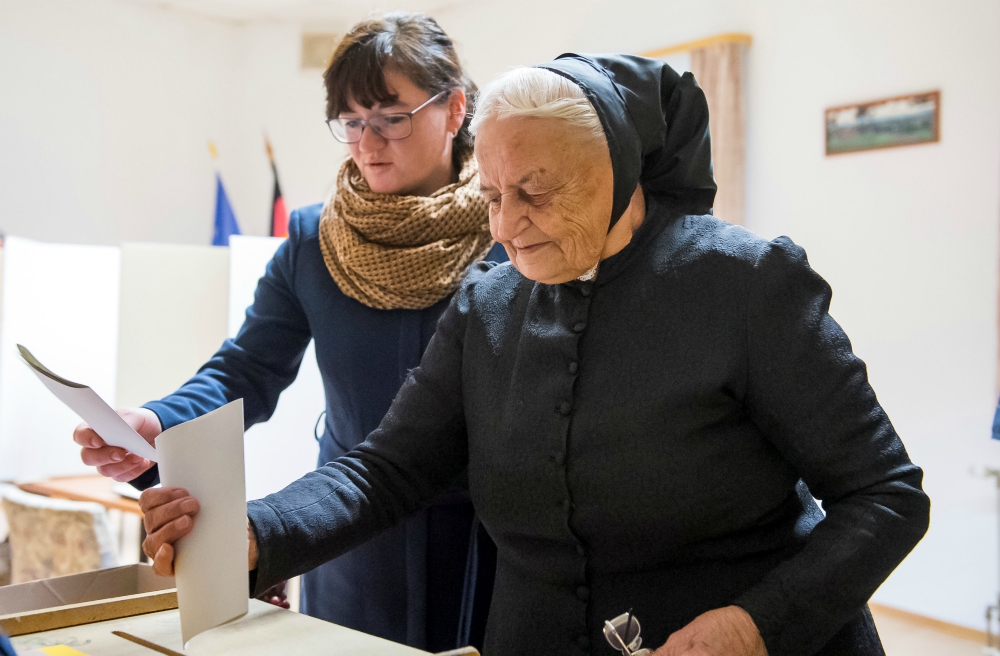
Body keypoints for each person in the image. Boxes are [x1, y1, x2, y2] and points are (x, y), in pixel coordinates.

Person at [138, 54, 931, 655]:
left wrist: (756, 625)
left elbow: (887, 495)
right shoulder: (488, 300)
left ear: (621, 174)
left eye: (538, 192)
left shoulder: (745, 285)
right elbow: (388, 468)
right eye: (490, 195)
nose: (506, 227)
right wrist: (256, 531)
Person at [72, 13, 504, 652]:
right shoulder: (314, 240)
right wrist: (157, 422)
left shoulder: (511, 236)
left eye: (391, 117)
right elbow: (246, 369)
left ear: (455, 108)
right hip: (347, 531)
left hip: (479, 541)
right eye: (352, 121)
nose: (368, 141)